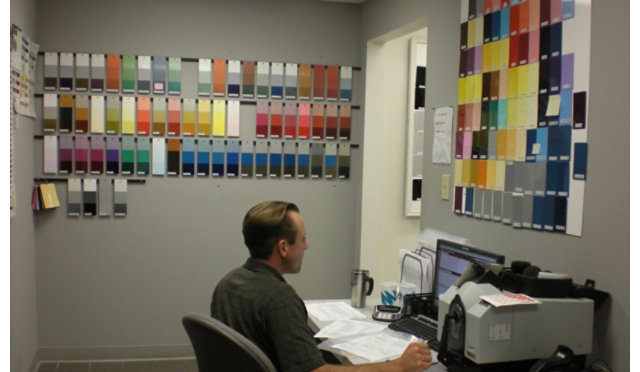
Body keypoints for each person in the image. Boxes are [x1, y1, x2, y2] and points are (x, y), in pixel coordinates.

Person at [211, 201, 432, 372]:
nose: (306, 246)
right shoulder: (280, 298)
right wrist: (398, 366)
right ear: (283, 248)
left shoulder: (227, 283)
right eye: (302, 239)